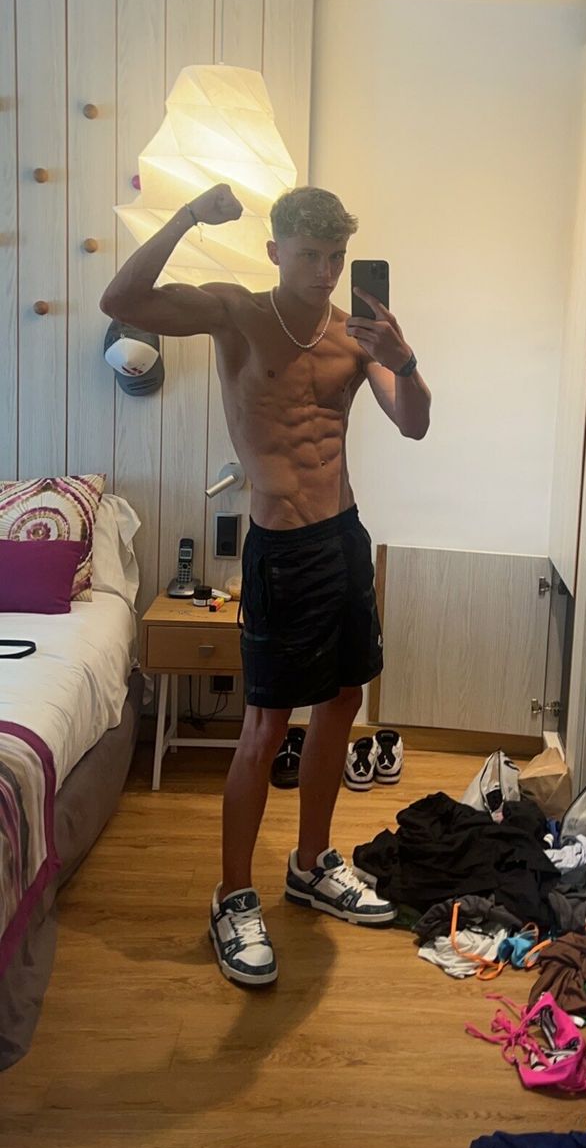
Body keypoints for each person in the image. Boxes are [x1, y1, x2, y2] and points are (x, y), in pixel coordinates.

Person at [99, 183, 431, 986]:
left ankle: (311, 864)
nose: (324, 271)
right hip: (280, 551)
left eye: (335, 257)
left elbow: (414, 423)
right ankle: (232, 895)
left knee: (343, 701)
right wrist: (186, 216)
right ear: (276, 251)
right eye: (310, 255)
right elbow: (122, 301)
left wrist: (405, 362)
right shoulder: (237, 313)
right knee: (264, 724)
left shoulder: (356, 335)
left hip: (343, 538)